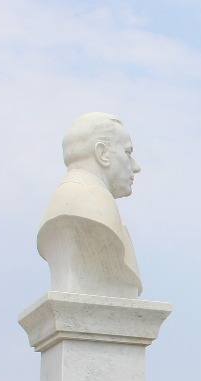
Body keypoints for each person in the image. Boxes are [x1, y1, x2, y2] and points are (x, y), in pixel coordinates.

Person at [38, 112, 144, 299]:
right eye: (127, 153)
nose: (136, 167)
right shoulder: (91, 207)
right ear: (102, 153)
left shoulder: (65, 201)